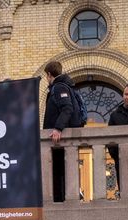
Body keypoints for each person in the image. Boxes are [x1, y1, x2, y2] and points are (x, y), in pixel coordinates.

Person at [42, 60, 82, 203]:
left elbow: (67, 108)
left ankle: (61, 201)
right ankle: (61, 199)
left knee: (59, 172)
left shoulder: (59, 88)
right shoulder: (64, 87)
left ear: (48, 74)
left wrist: (58, 128)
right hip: (61, 140)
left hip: (60, 140)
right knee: (61, 171)